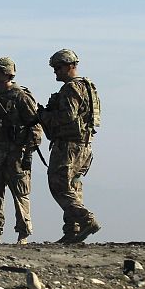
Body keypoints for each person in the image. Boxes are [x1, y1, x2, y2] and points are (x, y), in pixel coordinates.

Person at [0, 57, 43, 245]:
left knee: (20, 194)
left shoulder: (21, 96)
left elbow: (35, 126)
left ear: (8, 73)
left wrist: (27, 151)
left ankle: (23, 235)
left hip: (15, 155)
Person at [39, 49, 101, 243]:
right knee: (73, 186)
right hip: (84, 145)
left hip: (69, 146)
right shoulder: (88, 87)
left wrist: (43, 115)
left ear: (70, 66)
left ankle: (85, 219)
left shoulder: (71, 89)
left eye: (58, 68)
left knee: (59, 185)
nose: (55, 72)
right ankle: (72, 231)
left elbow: (67, 117)